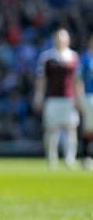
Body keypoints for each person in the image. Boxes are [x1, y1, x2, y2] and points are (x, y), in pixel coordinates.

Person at [34, 28, 82, 169]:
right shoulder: (47, 57)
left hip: (69, 98)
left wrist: (78, 98)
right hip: (52, 98)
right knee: (51, 129)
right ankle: (52, 158)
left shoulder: (73, 56)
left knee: (71, 128)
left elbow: (77, 80)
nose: (60, 41)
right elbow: (41, 79)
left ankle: (70, 158)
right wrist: (38, 96)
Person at [78, 36, 93, 169]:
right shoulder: (86, 58)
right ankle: (86, 156)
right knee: (89, 128)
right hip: (89, 96)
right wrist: (80, 97)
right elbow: (79, 79)